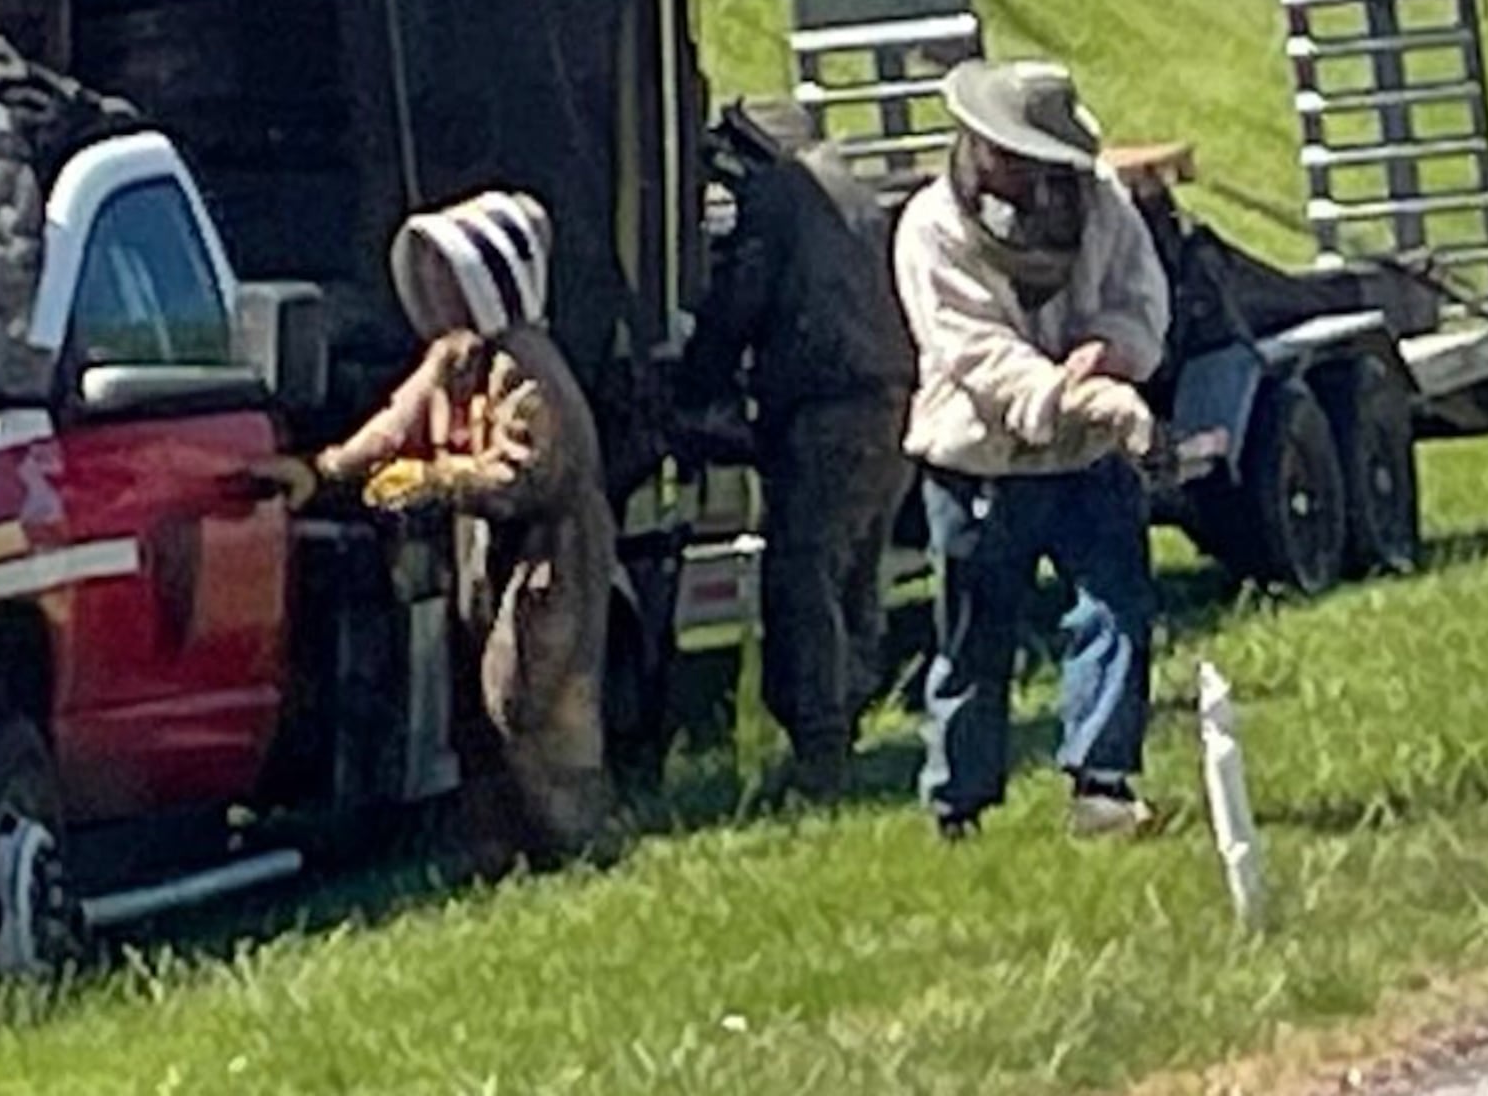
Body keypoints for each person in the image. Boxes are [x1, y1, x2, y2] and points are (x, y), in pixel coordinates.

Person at [292, 191, 619, 877]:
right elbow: (394, 426)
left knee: (533, 699)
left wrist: (436, 479)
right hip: (484, 552)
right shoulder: (451, 358)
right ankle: (500, 854)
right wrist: (319, 472)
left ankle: (579, 847)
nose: (436, 288)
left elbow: (529, 473)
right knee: (474, 706)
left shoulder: (526, 366)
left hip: (552, 556)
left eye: (449, 273)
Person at [891, 58, 1171, 842]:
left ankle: (1101, 788)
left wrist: (1114, 350)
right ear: (981, 145)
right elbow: (970, 349)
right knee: (976, 641)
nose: (1025, 172)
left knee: (1118, 610)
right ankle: (959, 808)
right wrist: (1069, 393)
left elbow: (1141, 297)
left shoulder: (1104, 205)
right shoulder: (932, 228)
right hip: (979, 462)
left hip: (1089, 461)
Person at [675, 98, 917, 803]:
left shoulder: (782, 194)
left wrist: (698, 382)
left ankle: (821, 755)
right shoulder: (857, 187)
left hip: (827, 410)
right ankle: (846, 724)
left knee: (803, 577)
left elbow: (740, 302)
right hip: (890, 402)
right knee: (855, 573)